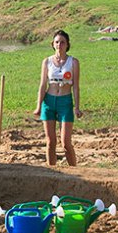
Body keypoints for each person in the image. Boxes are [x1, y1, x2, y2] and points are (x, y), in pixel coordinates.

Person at [33, 30, 81, 166]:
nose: (59, 45)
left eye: (62, 42)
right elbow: (42, 85)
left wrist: (77, 107)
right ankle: (52, 171)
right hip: (49, 102)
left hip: (65, 101)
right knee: (50, 142)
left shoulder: (73, 62)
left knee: (66, 142)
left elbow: (76, 86)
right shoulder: (47, 62)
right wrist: (38, 106)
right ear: (53, 44)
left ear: (67, 45)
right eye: (57, 42)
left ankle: (74, 169)